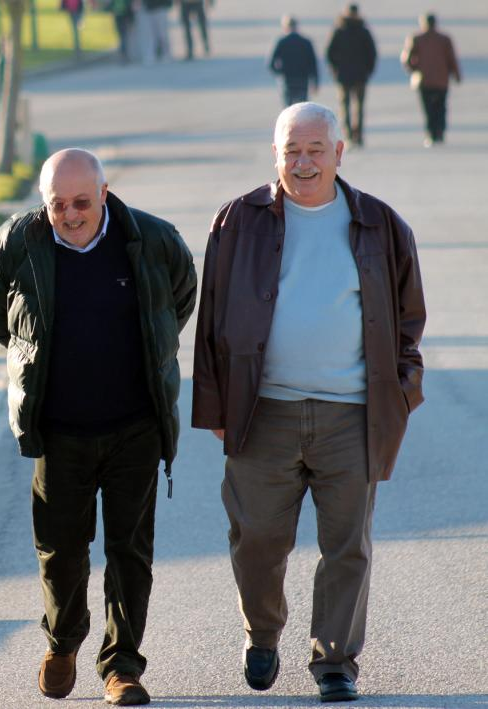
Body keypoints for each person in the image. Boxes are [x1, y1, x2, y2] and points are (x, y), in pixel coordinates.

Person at [192, 102, 426, 704]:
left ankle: (335, 661)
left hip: (352, 413)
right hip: (260, 411)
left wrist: (404, 390)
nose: (303, 162)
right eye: (291, 150)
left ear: (339, 153)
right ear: (275, 154)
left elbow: (408, 322)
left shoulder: (380, 224)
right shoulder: (237, 222)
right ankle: (263, 633)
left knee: (347, 544)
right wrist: (215, 408)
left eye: (315, 150)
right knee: (256, 539)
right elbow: (211, 320)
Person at [0, 149, 197, 706]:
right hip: (59, 429)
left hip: (135, 427)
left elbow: (179, 300)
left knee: (130, 551)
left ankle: (122, 666)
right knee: (60, 550)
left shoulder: (152, 239)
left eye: (81, 202)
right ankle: (64, 639)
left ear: (103, 193)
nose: (70, 215)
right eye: (58, 205)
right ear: (44, 202)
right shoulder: (16, 243)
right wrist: (33, 352)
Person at [401, 13, 461, 146]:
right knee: (440, 107)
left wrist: (414, 69)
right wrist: (456, 75)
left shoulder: (416, 38)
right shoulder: (444, 39)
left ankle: (430, 133)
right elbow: (452, 59)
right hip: (441, 80)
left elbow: (406, 59)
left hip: (424, 80)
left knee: (428, 109)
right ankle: (439, 132)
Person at [326, 4, 377, 146]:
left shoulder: (340, 31)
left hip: (345, 76)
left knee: (347, 106)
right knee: (356, 107)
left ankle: (351, 135)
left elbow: (329, 53)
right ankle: (355, 135)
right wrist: (368, 70)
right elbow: (372, 54)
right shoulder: (362, 31)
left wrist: (335, 70)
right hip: (358, 75)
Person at [269, 16, 319, 106]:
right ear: (296, 26)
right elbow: (313, 63)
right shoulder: (306, 42)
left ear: (285, 27)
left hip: (287, 80)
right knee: (302, 110)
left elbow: (271, 63)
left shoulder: (281, 42)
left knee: (288, 112)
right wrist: (315, 82)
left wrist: (281, 73)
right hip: (303, 80)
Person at [137, 0, 173, 65]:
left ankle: (166, 54)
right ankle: (150, 56)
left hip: (160, 7)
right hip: (146, 8)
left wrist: (169, 4)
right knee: (148, 35)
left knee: (162, 34)